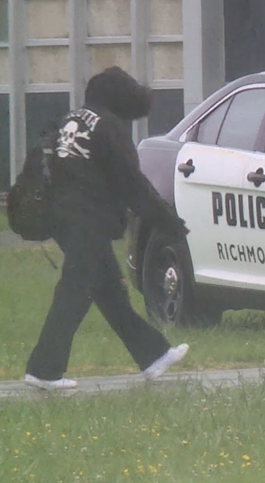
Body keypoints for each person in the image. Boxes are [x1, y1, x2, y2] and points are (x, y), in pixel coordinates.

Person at [24, 66, 191, 390]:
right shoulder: (110, 127)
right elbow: (132, 183)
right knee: (73, 293)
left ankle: (154, 357)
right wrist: (168, 220)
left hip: (62, 216)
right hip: (87, 219)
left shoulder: (70, 120)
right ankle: (43, 370)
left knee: (111, 293)